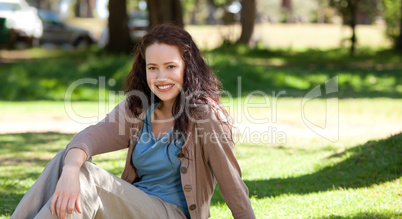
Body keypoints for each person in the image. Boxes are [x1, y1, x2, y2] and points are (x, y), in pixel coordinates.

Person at [11, 24, 255, 219]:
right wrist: (71, 169)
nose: (161, 77)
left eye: (170, 67)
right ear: (144, 69)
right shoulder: (138, 109)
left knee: (88, 178)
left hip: (173, 214)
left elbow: (232, 184)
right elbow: (89, 137)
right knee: (64, 161)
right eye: (153, 68)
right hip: (131, 209)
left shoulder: (204, 115)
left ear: (187, 68)